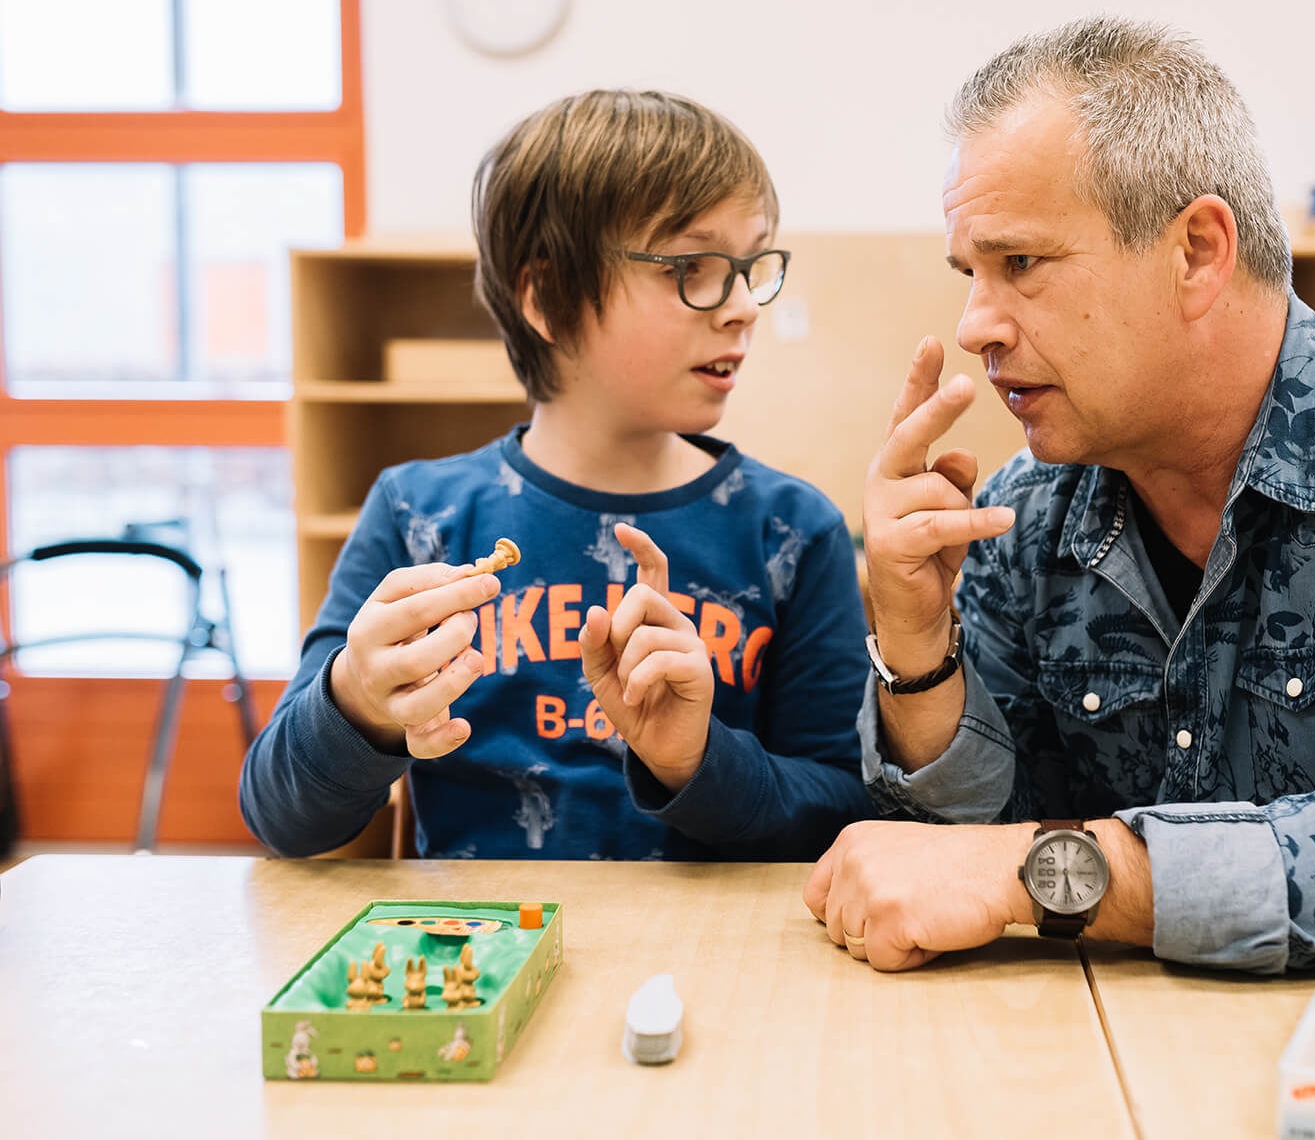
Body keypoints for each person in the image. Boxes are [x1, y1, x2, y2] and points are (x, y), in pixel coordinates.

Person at [806, 18, 1315, 972]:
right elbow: (949, 859)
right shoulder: (1027, 515)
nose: (977, 323)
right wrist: (915, 650)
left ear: (1195, 251)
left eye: (1018, 264)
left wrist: (1046, 874)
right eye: (969, 275)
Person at [242, 89, 873, 860]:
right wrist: (354, 703)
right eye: (694, 267)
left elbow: (844, 809)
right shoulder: (418, 515)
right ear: (547, 297)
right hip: (482, 962)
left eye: (749, 266)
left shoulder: (794, 529)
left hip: (714, 967)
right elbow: (281, 818)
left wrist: (695, 762)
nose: (742, 306)